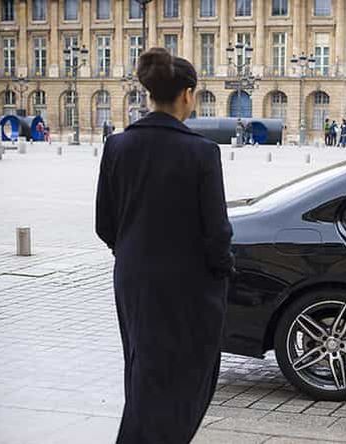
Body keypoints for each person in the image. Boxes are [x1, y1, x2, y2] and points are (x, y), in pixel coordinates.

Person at [95, 47, 233, 444]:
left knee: (143, 370)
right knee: (186, 377)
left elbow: (104, 223)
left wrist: (136, 253)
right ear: (187, 95)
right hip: (188, 285)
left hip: (135, 278)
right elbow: (217, 230)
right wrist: (223, 269)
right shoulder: (202, 152)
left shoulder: (117, 146)